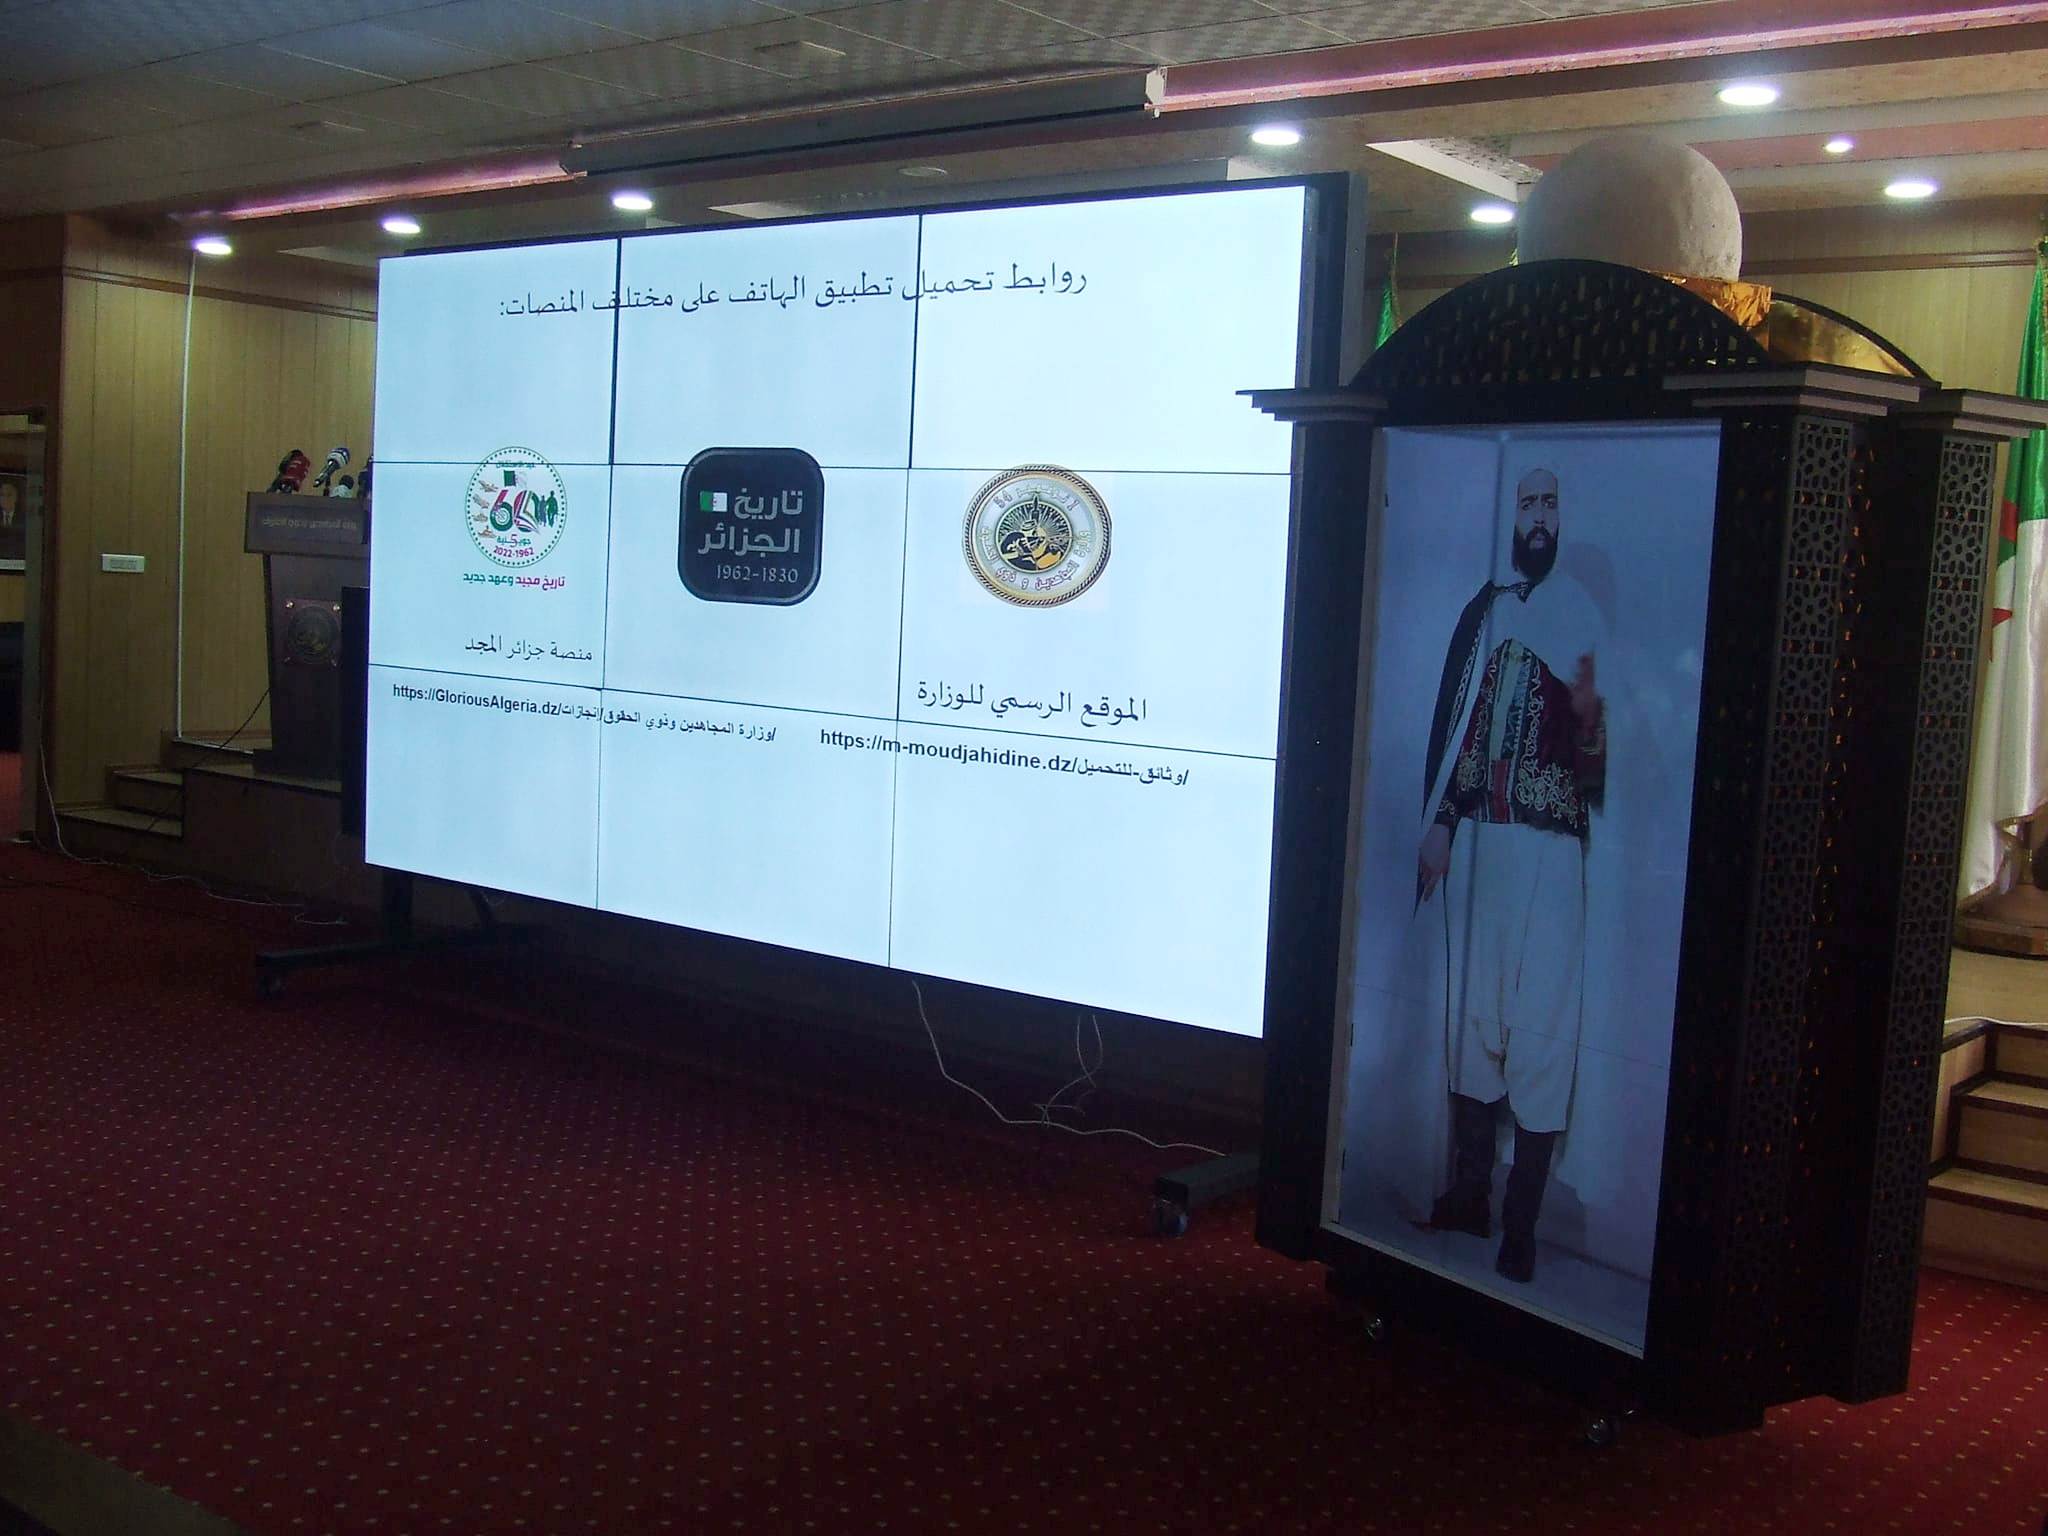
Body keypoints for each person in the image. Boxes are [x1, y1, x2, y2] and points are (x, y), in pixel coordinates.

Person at [1415, 467, 1606, 1284]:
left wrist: (1591, 721)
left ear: (1564, 517)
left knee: (1542, 1026)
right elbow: (1460, 732)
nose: (1537, 517)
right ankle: (1469, 1197)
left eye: (1549, 503)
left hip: (1550, 851)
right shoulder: (1484, 611)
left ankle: (1519, 1227)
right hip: (1482, 846)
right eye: (1527, 502)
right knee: (1472, 1021)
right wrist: (1442, 823)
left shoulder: (1585, 614)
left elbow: (1603, 762)